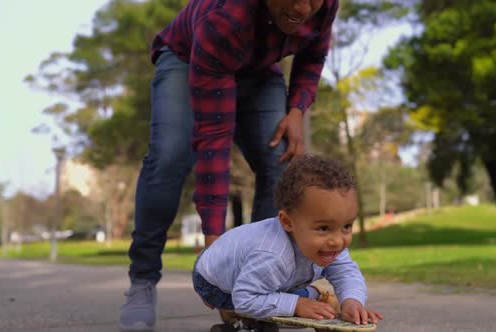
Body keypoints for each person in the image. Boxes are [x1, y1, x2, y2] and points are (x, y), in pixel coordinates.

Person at [119, 0, 339, 330]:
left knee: (280, 160)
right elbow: (213, 142)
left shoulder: (325, 4)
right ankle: (142, 282)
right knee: (170, 156)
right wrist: (213, 255)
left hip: (259, 70)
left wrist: (297, 109)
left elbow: (314, 53)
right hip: (187, 57)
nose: (302, 8)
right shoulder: (226, 17)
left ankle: (263, 291)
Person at [193, 154, 384, 325]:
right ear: (287, 222)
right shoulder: (272, 256)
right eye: (324, 228)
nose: (337, 241)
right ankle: (237, 319)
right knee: (277, 314)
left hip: (251, 274)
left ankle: (309, 296)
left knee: (286, 299)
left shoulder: (329, 244)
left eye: (347, 226)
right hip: (213, 282)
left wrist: (352, 301)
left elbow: (346, 272)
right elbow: (245, 299)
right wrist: (298, 305)